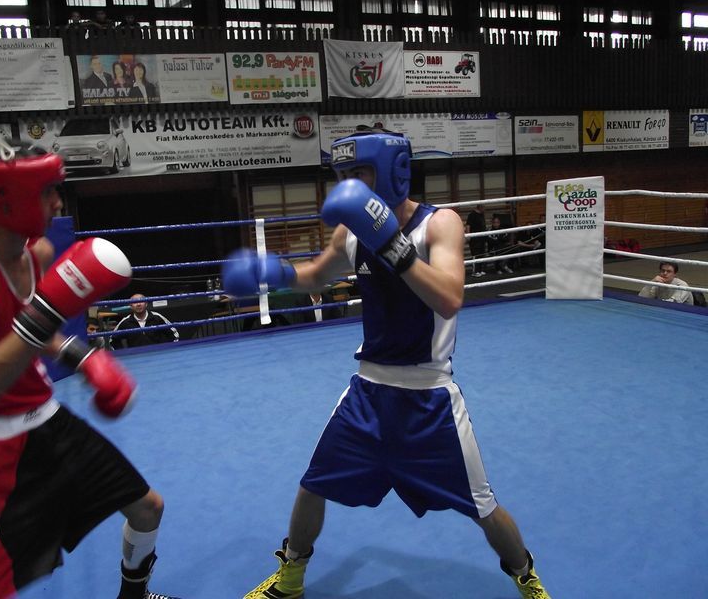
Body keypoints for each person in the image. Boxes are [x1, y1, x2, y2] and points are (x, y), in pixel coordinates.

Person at [222, 130, 550, 599]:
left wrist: (392, 244)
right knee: (313, 485)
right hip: (368, 392)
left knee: (483, 507)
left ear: (393, 172)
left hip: (429, 398)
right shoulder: (350, 231)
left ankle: (526, 578)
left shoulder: (440, 224)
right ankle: (291, 578)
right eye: (345, 175)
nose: (352, 184)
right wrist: (274, 274)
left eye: (361, 172)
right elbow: (317, 274)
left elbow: (449, 298)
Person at [0, 136, 176, 599]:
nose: (58, 203)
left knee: (147, 508)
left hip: (48, 420)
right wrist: (47, 311)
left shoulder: (34, 254)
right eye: (47, 191)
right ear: (8, 196)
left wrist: (81, 356)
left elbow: (28, 334)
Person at [112, 293, 179, 349]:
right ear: (131, 306)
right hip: (136, 357)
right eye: (135, 302)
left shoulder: (157, 317)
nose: (138, 304)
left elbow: (174, 334)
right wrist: (123, 354)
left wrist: (168, 351)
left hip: (157, 354)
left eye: (141, 301)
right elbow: (112, 339)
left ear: (146, 303)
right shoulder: (125, 321)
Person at [465, 203, 487, 277]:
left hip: (482, 237)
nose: (485, 209)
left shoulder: (482, 214)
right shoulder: (472, 215)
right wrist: (468, 235)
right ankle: (475, 271)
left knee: (481, 253)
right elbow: (468, 225)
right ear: (480, 207)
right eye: (484, 207)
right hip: (475, 238)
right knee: (475, 254)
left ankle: (480, 270)